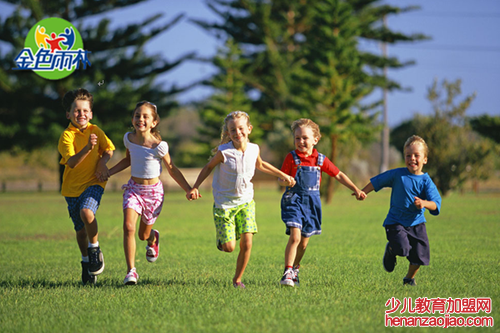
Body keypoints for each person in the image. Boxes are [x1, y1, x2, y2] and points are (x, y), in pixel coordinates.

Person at [188, 111, 296, 289]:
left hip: (246, 201)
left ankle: (237, 280)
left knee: (247, 242)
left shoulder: (254, 149)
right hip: (224, 204)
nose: (237, 132)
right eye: (232, 130)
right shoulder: (224, 152)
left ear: (249, 129)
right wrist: (195, 186)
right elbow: (208, 167)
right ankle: (223, 241)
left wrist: (283, 174)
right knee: (229, 247)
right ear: (228, 133)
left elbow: (261, 165)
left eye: (241, 128)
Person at [109, 101, 193, 285]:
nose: (141, 119)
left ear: (154, 122)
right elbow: (127, 160)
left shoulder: (159, 146)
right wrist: (108, 172)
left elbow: (172, 169)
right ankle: (131, 271)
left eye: (146, 116)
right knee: (128, 227)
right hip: (133, 190)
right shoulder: (128, 139)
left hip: (154, 194)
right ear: (132, 119)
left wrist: (188, 188)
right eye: (138, 115)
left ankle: (153, 237)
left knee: (142, 235)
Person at [279, 118, 366, 287]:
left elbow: (338, 174)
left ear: (315, 140)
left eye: (305, 138)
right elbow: (280, 179)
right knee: (295, 237)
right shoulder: (291, 158)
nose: (301, 141)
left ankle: (295, 269)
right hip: (294, 202)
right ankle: (287, 272)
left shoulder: (320, 160)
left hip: (312, 205)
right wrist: (286, 181)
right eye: (297, 138)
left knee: (304, 243)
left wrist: (355, 189)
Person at [360, 135, 442, 286]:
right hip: (396, 222)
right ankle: (391, 249)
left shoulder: (426, 181)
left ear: (425, 159)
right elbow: (378, 181)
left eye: (416, 155)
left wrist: (424, 203)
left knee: (419, 257)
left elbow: (436, 204)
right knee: (402, 249)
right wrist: (363, 192)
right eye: (408, 155)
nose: (412, 158)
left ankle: (409, 279)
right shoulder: (398, 174)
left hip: (417, 223)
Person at [58, 88, 115, 285]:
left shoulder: (95, 130)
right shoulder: (67, 136)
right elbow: (72, 162)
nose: (81, 114)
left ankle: (95, 249)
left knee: (87, 212)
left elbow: (108, 149)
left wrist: (101, 163)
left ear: (90, 114)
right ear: (68, 114)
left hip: (94, 182)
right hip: (72, 189)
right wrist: (88, 148)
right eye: (76, 111)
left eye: (85, 111)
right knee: (80, 231)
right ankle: (85, 262)